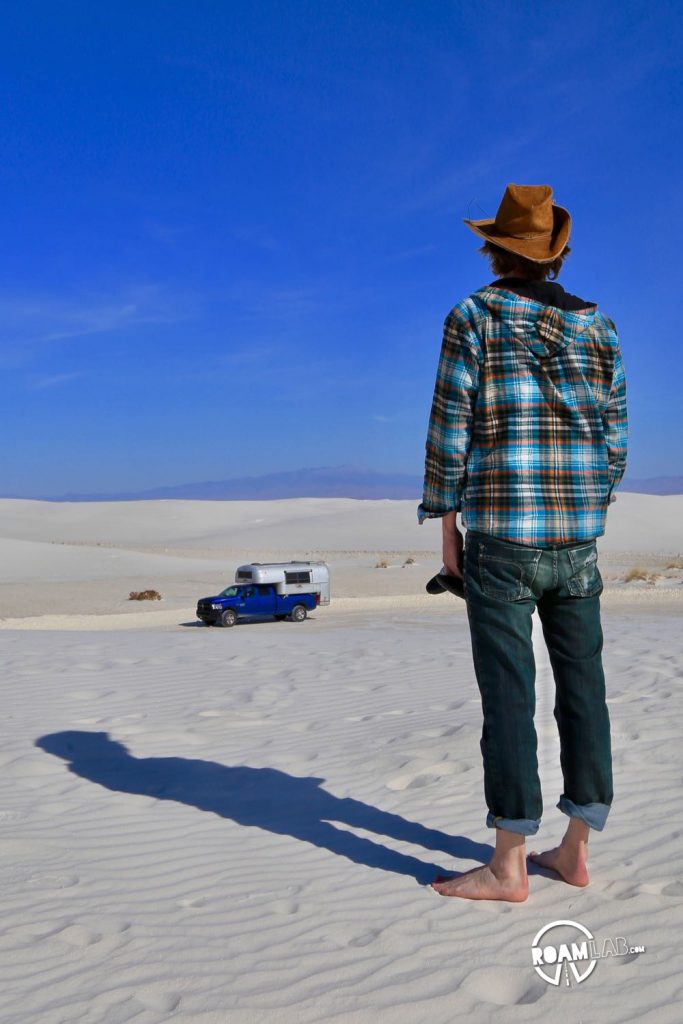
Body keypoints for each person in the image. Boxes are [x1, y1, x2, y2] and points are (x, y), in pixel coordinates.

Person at [417, 183, 628, 902]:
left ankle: (508, 865)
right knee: (584, 692)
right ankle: (573, 851)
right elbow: (615, 439)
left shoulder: (472, 315)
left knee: (508, 697)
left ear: (494, 249)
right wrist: (584, 511)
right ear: (553, 255)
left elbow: (450, 430)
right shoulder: (598, 326)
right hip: (577, 541)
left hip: (501, 536)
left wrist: (448, 535)